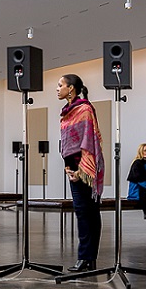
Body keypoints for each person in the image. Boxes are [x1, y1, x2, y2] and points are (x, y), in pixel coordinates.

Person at [58, 74, 105, 272]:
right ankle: (88, 258)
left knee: (88, 213)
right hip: (72, 170)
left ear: (71, 88)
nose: (57, 89)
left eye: (60, 85)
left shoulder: (85, 109)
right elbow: (67, 144)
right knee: (84, 213)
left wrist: (81, 170)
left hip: (85, 170)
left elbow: (89, 142)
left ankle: (86, 257)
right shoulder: (66, 112)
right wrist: (68, 167)